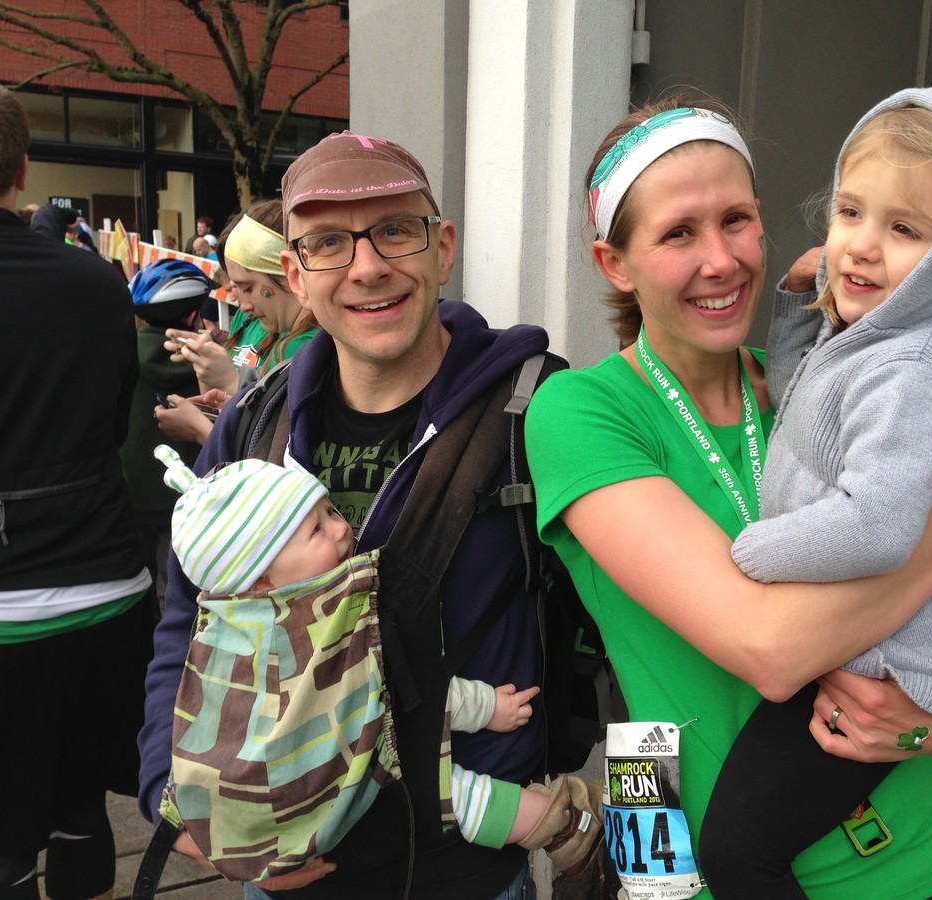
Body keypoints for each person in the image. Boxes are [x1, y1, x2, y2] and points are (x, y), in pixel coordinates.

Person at [524, 93, 932, 899]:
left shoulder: (819, 387)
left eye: (737, 220)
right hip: (669, 803)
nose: (722, 259)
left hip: (895, 843)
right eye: (679, 232)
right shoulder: (583, 410)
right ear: (616, 262)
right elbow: (773, 653)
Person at [139, 131, 600, 899]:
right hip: (287, 867)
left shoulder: (536, 415)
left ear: (442, 248)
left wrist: (660, 849)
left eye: (395, 229)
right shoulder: (254, 421)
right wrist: (171, 792)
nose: (367, 265)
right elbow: (186, 621)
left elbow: (634, 628)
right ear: (294, 271)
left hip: (471, 869)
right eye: (328, 243)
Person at [696, 87, 932, 897]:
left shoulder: (913, 373)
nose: (859, 246)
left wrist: (751, 552)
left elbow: (878, 525)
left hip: (884, 664)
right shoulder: (873, 344)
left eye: (905, 230)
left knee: (738, 853)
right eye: (850, 212)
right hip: (879, 643)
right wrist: (797, 306)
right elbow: (808, 407)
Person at [153, 445, 599, 874]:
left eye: (330, 511)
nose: (342, 528)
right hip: (327, 809)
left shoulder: (227, 629)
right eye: (316, 529)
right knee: (447, 786)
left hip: (272, 828)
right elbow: (406, 696)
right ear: (261, 577)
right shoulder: (325, 621)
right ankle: (558, 824)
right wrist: (489, 708)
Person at [0, 73, 155, 900]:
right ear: (23, 170)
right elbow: (114, 427)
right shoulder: (96, 283)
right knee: (81, 809)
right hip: (105, 592)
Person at [155, 200, 319, 447]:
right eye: (235, 287)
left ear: (289, 273)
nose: (241, 305)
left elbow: (272, 457)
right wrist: (206, 360)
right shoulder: (257, 321)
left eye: (247, 288)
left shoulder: (312, 348)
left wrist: (229, 383)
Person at [121, 259, 215, 605]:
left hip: (131, 493)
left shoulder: (122, 352)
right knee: (175, 593)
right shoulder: (210, 362)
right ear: (192, 316)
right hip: (186, 498)